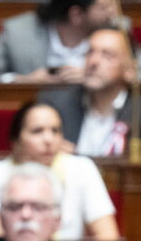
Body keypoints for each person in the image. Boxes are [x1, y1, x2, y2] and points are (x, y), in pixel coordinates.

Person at [0, 101, 119, 241]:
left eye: (55, 131)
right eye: (37, 131)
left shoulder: (82, 168)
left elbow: (108, 237)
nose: (49, 139)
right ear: (16, 140)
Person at [0, 0, 118, 82]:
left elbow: (135, 73)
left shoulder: (114, 31)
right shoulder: (20, 33)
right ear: (77, 15)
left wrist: (95, 77)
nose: (114, 12)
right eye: (105, 6)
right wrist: (23, 81)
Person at [39, 27, 136, 156]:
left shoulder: (137, 111)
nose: (93, 61)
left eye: (107, 55)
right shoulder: (55, 105)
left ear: (130, 70)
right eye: (90, 52)